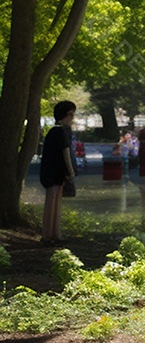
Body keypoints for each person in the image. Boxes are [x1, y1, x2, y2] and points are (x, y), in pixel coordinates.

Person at [39, 101, 77, 244]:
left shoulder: (55, 131)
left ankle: (54, 234)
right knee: (52, 201)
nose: (72, 118)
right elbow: (65, 152)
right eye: (71, 115)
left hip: (55, 172)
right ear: (65, 115)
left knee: (55, 201)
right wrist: (71, 171)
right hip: (54, 172)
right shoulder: (60, 131)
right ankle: (47, 235)